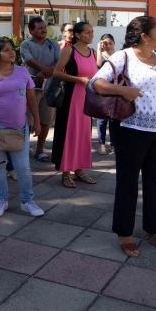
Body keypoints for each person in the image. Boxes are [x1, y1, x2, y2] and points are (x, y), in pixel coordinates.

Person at [91, 15, 156, 258]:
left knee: (154, 182)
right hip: (131, 129)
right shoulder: (124, 56)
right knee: (128, 182)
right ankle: (124, 234)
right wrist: (123, 90)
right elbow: (96, 83)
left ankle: (155, 229)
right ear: (144, 36)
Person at [0, 37, 45, 217]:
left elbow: (31, 98)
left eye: (12, 49)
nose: (11, 52)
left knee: (23, 167)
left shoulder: (23, 72)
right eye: (6, 50)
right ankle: (1, 200)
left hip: (19, 128)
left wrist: (36, 120)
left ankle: (27, 201)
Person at [52, 21, 98, 188]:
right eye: (87, 32)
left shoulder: (93, 53)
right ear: (77, 35)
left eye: (91, 32)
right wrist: (78, 80)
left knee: (84, 134)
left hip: (87, 99)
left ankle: (80, 170)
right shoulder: (69, 50)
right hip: (70, 99)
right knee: (69, 133)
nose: (91, 35)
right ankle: (66, 172)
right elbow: (56, 73)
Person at [20, 17, 60, 162]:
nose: (43, 30)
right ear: (31, 30)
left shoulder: (53, 44)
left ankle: (39, 150)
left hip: (49, 87)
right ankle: (23, 150)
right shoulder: (26, 44)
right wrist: (44, 70)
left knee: (46, 120)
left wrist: (47, 72)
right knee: (27, 120)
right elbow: (28, 60)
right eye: (39, 28)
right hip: (30, 87)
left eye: (44, 27)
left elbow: (59, 61)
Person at [94, 33, 116, 155]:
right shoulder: (100, 55)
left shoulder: (118, 55)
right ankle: (101, 144)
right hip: (102, 90)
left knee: (114, 119)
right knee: (102, 119)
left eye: (110, 43)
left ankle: (113, 143)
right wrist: (99, 50)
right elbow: (98, 65)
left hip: (115, 90)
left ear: (114, 43)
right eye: (105, 43)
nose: (108, 45)